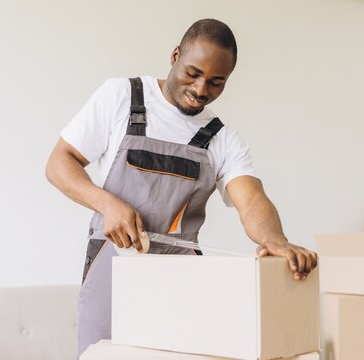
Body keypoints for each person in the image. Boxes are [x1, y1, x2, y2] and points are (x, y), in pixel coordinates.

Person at [46, 18, 318, 357]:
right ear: (175, 55)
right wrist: (107, 205)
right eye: (193, 73)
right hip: (113, 267)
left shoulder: (221, 138)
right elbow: (60, 162)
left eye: (217, 82)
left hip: (182, 281)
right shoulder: (120, 96)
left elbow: (252, 200)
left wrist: (275, 240)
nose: (202, 89)